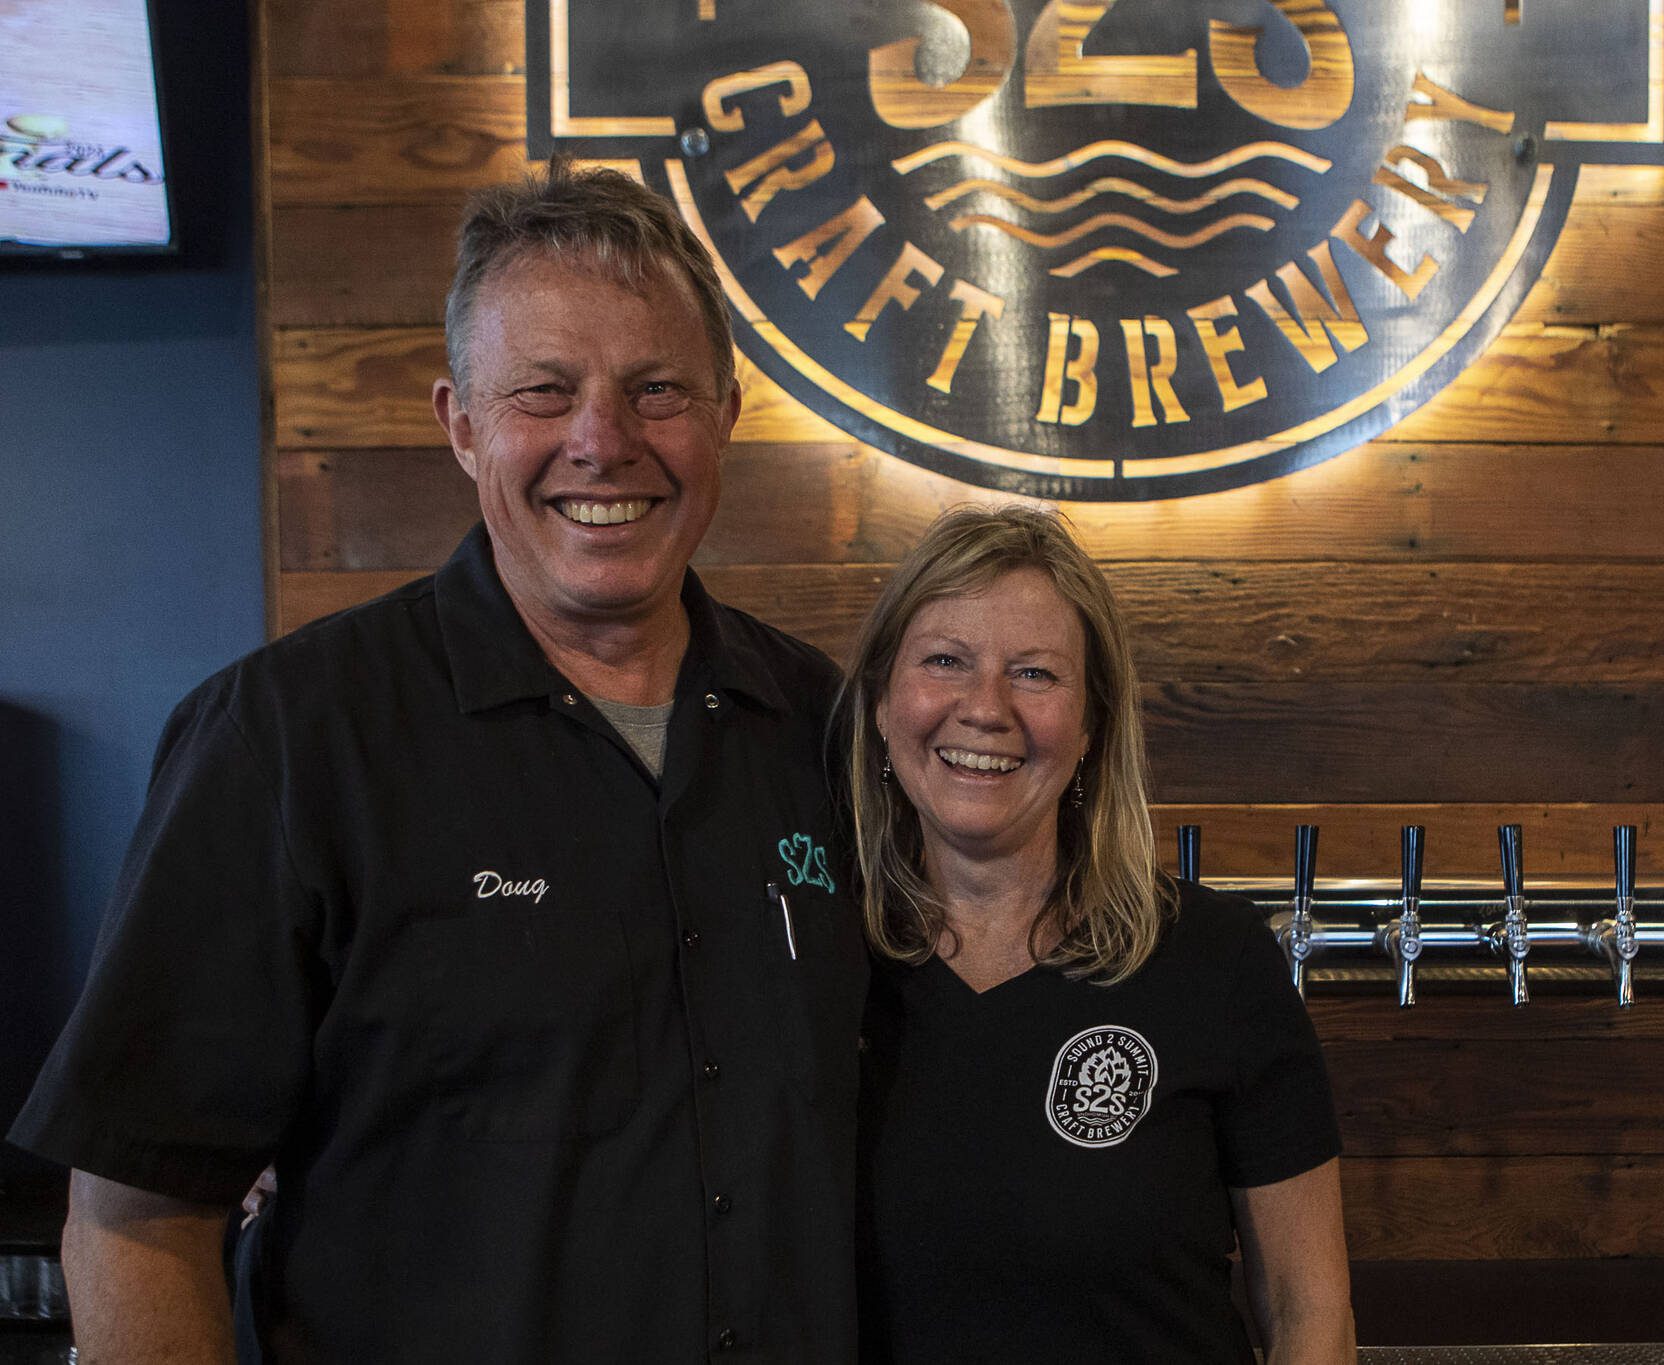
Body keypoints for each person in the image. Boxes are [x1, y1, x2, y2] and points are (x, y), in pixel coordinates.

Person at [8, 162, 868, 1362]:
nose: (601, 441)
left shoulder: (823, 726)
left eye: (656, 388)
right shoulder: (287, 739)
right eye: (542, 390)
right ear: (460, 426)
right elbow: (136, 1218)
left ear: (727, 412)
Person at [842, 506, 1355, 1364]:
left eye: (1036, 673)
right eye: (944, 660)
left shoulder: (1214, 960)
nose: (986, 708)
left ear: (1089, 728)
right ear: (885, 706)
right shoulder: (809, 961)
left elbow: (1312, 1315)